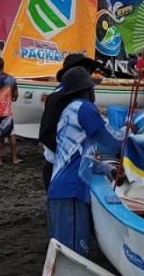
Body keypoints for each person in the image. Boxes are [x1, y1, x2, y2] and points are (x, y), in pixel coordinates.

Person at [47, 66, 127, 255]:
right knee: (74, 254)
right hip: (71, 192)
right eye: (93, 88)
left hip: (60, 191)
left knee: (63, 252)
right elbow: (112, 140)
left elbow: (81, 157)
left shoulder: (68, 111)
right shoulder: (85, 108)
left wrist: (108, 169)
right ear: (87, 90)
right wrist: (129, 133)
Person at [39, 55, 101, 189]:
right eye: (84, 71)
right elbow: (45, 134)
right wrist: (71, 156)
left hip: (78, 165)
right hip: (60, 167)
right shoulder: (56, 99)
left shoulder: (83, 97)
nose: (88, 76)